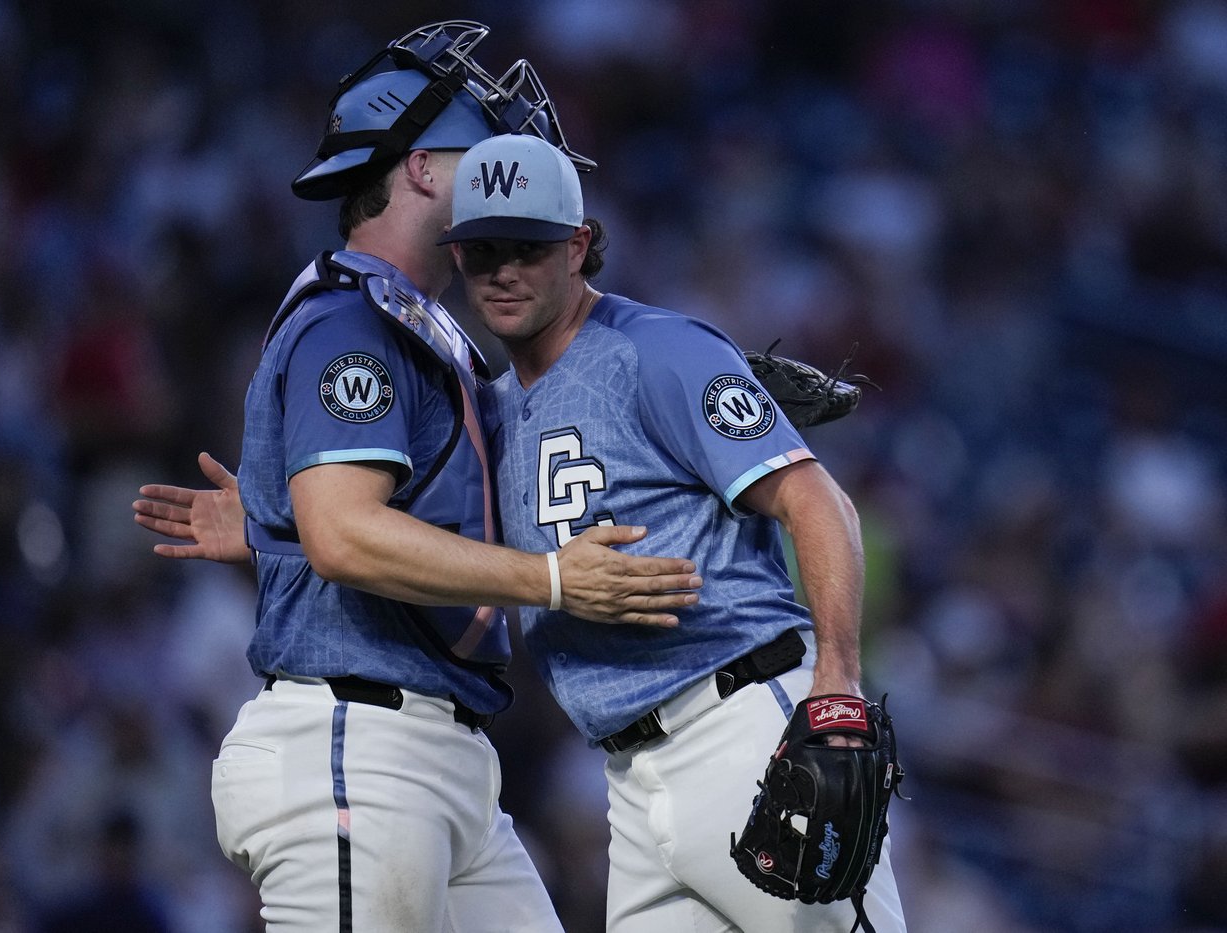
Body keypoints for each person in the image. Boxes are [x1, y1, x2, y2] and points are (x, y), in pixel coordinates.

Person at [131, 23, 702, 933]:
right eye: (483, 147)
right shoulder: (351, 320)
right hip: (360, 743)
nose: (505, 165)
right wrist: (552, 581)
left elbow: (340, 525)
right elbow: (346, 533)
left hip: (441, 761)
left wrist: (278, 518)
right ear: (425, 169)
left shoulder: (412, 323)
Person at [436, 133, 908, 931]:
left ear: (579, 245)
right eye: (483, 250)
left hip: (744, 726)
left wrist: (837, 677)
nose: (504, 270)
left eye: (530, 245)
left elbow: (818, 501)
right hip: (629, 779)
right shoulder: (493, 408)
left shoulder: (655, 350)